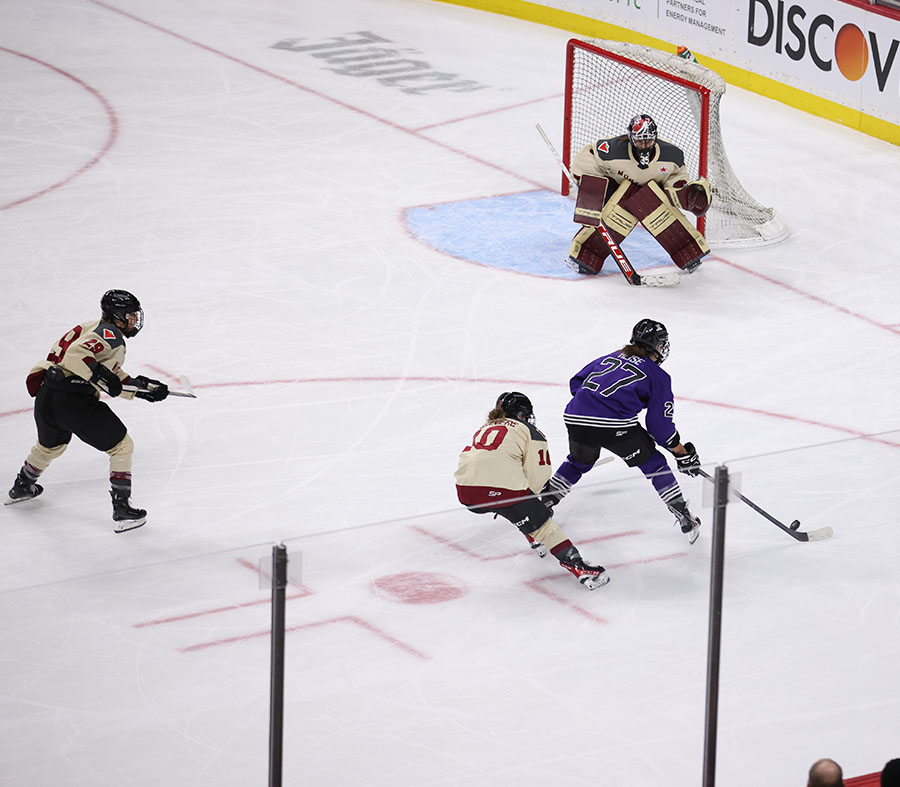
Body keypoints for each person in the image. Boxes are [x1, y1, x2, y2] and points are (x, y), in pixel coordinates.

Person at [5, 290, 169, 532]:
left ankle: (22, 486)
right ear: (117, 315)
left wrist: (143, 388)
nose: (135, 320)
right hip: (73, 401)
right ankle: (122, 510)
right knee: (122, 446)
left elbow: (105, 373)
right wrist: (102, 375)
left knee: (50, 446)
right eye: (130, 315)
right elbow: (77, 356)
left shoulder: (93, 326)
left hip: (47, 397)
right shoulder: (111, 335)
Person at [540, 319, 702, 543]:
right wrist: (681, 452)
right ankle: (684, 515)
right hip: (612, 425)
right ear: (656, 345)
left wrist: (592, 404)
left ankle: (545, 501)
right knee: (654, 463)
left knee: (579, 462)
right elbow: (659, 427)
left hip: (575, 417)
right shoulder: (658, 375)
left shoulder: (612, 356)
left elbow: (577, 382)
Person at [454, 392, 610, 590]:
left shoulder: (484, 428)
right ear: (522, 414)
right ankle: (581, 569)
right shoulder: (529, 431)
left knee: (515, 506)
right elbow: (539, 475)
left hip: (466, 492)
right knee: (541, 521)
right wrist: (540, 501)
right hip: (501, 489)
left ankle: (533, 536)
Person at [567, 113, 711, 275]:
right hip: (617, 191)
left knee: (660, 214)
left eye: (648, 140)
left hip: (649, 194)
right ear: (630, 138)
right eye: (639, 140)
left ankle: (688, 254)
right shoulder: (612, 149)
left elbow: (677, 180)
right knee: (617, 218)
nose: (644, 145)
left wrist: (688, 194)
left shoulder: (671, 155)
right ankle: (585, 256)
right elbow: (589, 157)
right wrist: (593, 189)